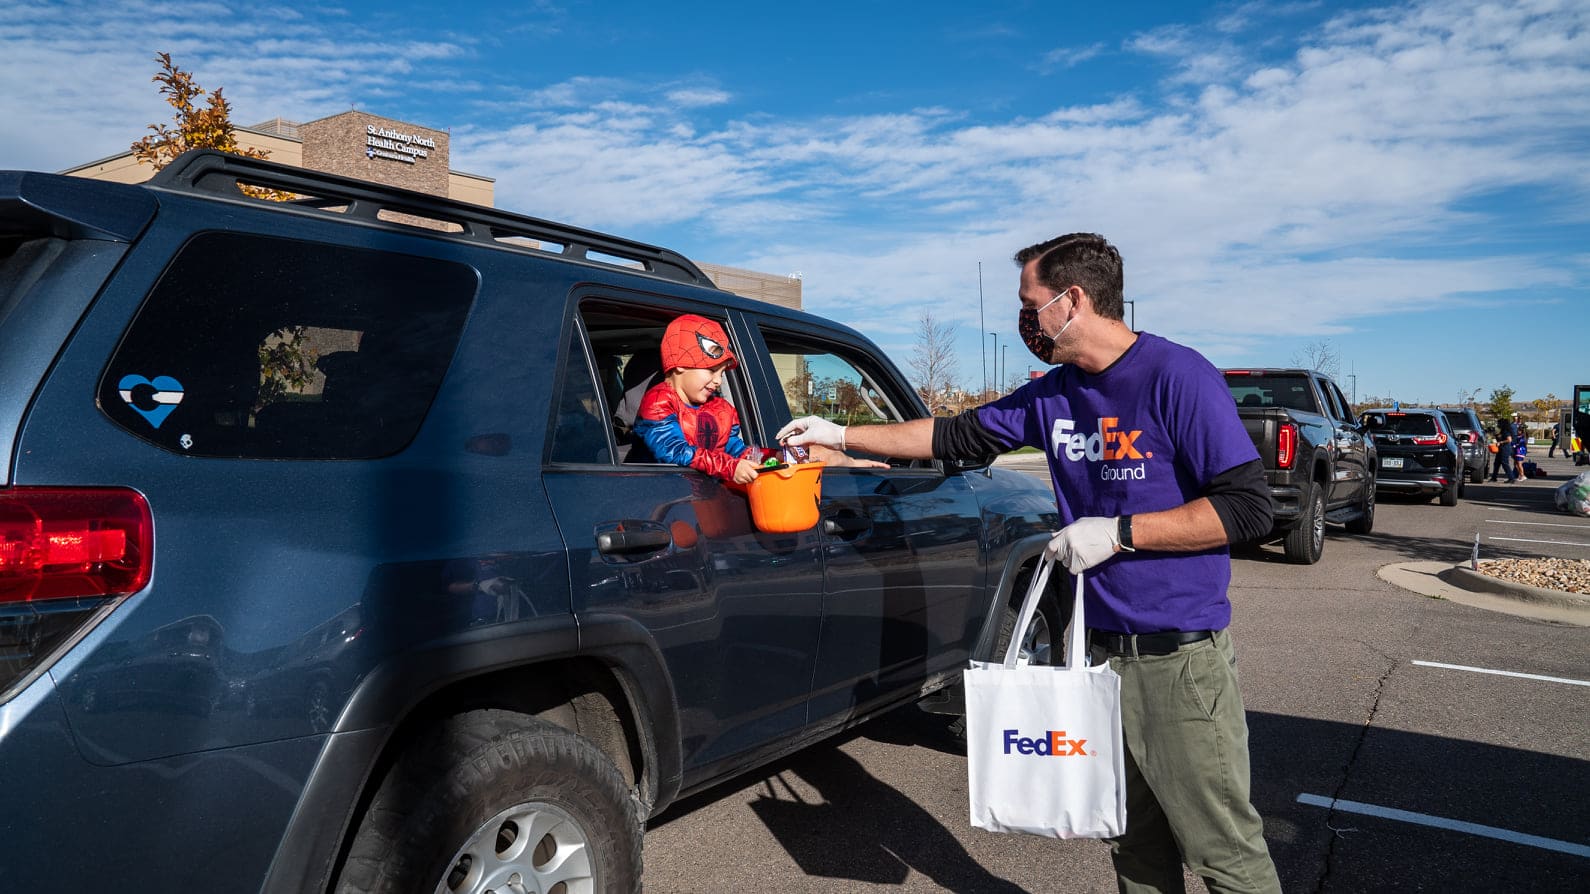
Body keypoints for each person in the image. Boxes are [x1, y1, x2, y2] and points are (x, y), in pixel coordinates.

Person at [778, 233, 1281, 894]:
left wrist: (1121, 533)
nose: (1022, 320)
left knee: (1224, 855)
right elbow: (949, 436)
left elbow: (1249, 509)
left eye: (1030, 302)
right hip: (1094, 658)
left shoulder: (1176, 376)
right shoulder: (1053, 393)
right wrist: (837, 433)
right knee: (1131, 846)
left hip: (1178, 662)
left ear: (1072, 301)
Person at [636, 314, 876, 483]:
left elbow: (736, 450)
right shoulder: (658, 401)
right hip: (666, 498)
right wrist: (730, 468)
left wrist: (776, 459)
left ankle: (851, 465)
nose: (719, 381)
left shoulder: (721, 409)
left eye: (722, 373)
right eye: (711, 370)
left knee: (810, 454)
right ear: (679, 365)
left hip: (702, 498)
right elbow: (673, 451)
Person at [1490, 415, 1516, 482]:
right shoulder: (1502, 431)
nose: (1498, 425)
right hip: (1500, 449)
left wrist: (1501, 442)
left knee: (1505, 463)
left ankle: (1511, 478)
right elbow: (1498, 437)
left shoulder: (1506, 431)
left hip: (1505, 449)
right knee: (1496, 463)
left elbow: (1509, 440)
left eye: (1499, 423)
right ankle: (1494, 477)